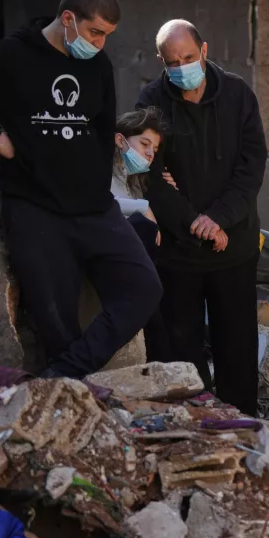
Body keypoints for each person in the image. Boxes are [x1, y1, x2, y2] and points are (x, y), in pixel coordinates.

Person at [0, 0, 162, 378]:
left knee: (143, 289)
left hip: (94, 208)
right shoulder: (10, 57)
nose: (100, 44)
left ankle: (64, 376)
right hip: (35, 210)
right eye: (95, 32)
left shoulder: (98, 66)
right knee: (55, 320)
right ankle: (71, 395)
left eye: (107, 35)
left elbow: (103, 131)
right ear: (68, 19)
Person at [136, 19, 267, 416]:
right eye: (172, 61)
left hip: (235, 244)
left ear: (204, 50)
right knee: (182, 345)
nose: (182, 67)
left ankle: (242, 420)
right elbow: (150, 176)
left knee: (237, 343)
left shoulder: (238, 95)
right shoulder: (152, 101)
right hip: (179, 252)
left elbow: (251, 167)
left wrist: (220, 219)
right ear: (161, 60)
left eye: (188, 58)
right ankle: (195, 422)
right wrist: (197, 223)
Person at [110, 107, 172, 362]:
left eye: (154, 150)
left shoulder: (133, 180)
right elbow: (100, 202)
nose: (149, 153)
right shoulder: (101, 167)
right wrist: (143, 208)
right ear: (120, 139)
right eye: (144, 143)